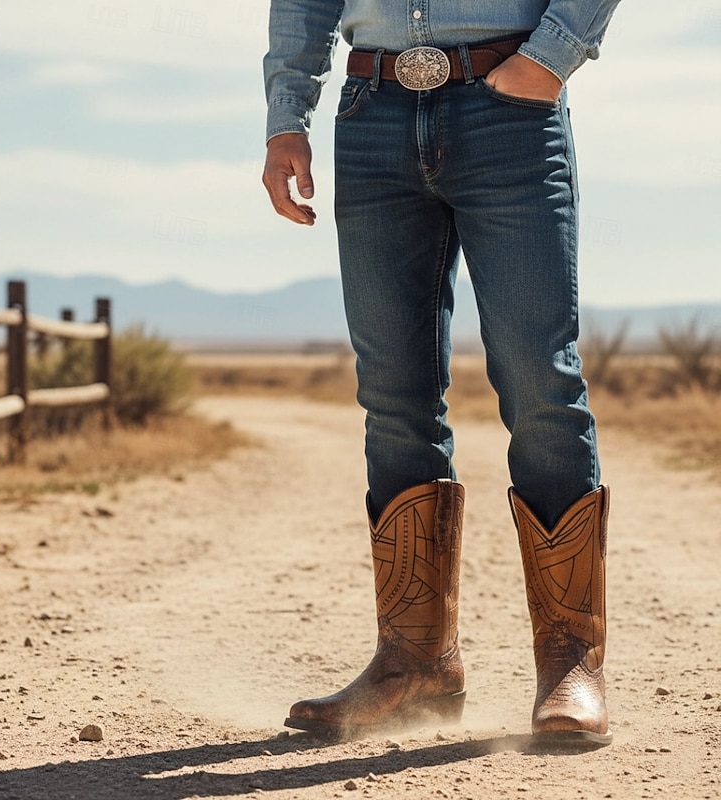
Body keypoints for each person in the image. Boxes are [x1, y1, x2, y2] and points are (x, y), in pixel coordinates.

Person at [262, 2, 620, 747]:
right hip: (372, 114)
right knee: (393, 398)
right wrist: (285, 116)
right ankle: (414, 666)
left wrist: (551, 57)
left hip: (511, 108)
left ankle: (570, 664)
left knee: (540, 381)